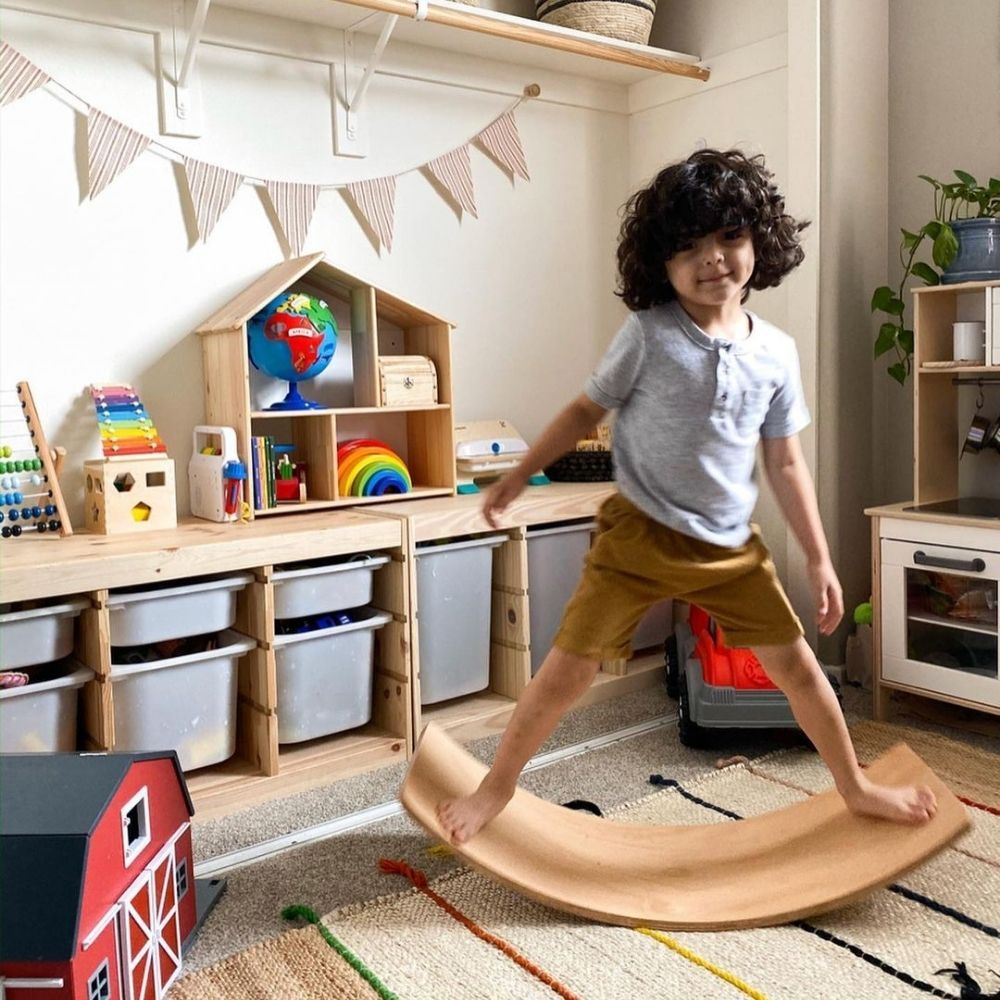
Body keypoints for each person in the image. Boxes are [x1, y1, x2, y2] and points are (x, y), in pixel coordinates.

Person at [437, 147, 937, 845]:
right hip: (637, 538)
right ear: (660, 263)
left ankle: (855, 786)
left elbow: (786, 461)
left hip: (730, 545)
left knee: (796, 667)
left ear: (758, 239)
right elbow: (585, 413)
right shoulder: (647, 336)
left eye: (729, 237)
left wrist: (820, 561)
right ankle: (496, 786)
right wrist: (518, 476)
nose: (712, 260)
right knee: (567, 670)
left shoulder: (777, 352)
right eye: (688, 247)